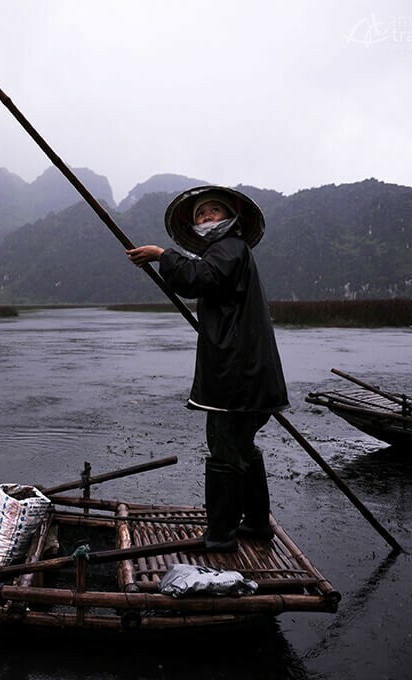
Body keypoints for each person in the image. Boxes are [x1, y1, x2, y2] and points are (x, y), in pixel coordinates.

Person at [125, 185, 288, 552]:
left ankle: (220, 537)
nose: (206, 217)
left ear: (230, 216)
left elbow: (199, 279)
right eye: (200, 214)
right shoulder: (228, 251)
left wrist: (161, 255)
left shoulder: (229, 247)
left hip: (237, 378)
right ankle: (258, 524)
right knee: (243, 447)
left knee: (225, 449)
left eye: (214, 210)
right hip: (249, 376)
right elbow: (208, 280)